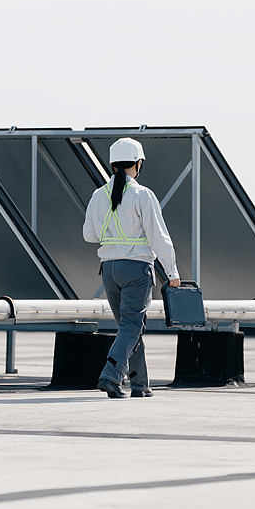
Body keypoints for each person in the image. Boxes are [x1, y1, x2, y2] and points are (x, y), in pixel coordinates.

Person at [83, 137, 181, 398]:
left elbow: (89, 235)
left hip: (109, 270)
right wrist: (172, 273)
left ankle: (140, 384)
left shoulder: (98, 195)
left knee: (128, 327)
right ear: (138, 164)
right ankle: (111, 374)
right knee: (131, 326)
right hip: (136, 269)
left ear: (112, 164)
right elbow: (159, 237)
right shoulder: (142, 195)